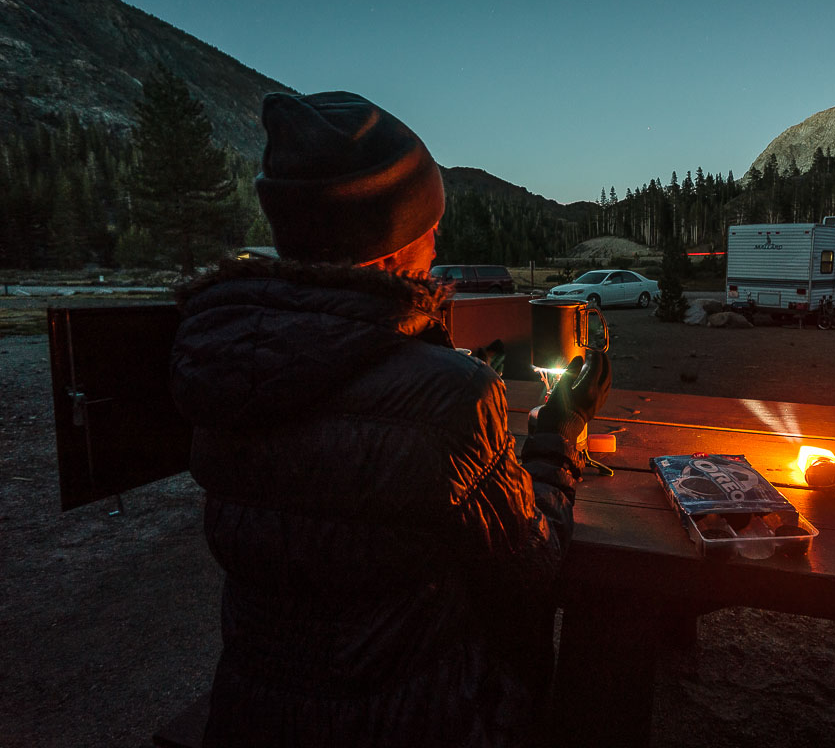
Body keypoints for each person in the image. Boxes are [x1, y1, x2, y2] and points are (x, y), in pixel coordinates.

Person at [169, 91, 610, 747]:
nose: (438, 242)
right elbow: (532, 566)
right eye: (429, 226)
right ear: (392, 244)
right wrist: (555, 439)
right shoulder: (451, 399)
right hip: (416, 721)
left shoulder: (225, 363)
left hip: (251, 718)